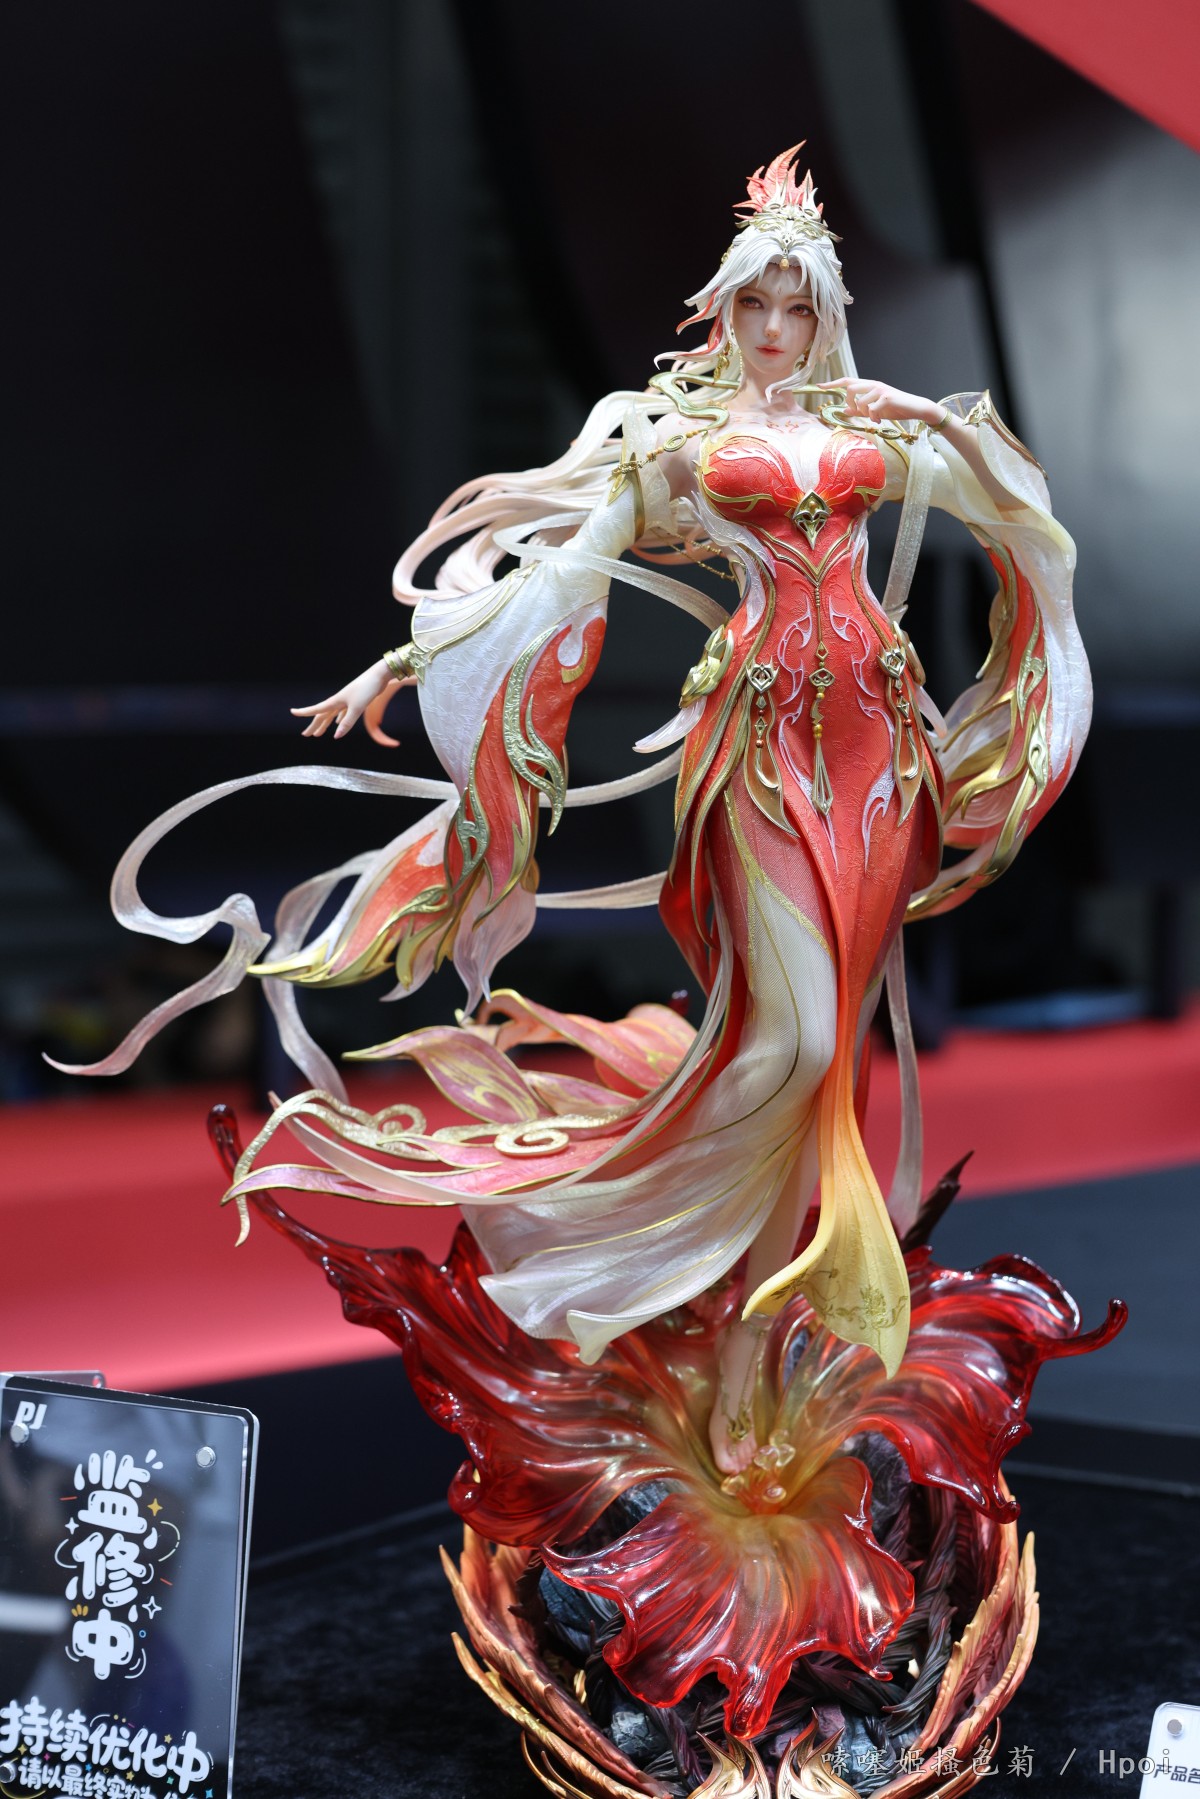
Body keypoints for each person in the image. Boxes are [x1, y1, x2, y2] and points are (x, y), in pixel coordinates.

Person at [59, 147, 1087, 1474]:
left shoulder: (875, 435)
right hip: (760, 748)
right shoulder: (676, 446)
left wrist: (955, 456)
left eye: (799, 307)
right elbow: (553, 573)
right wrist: (405, 661)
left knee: (833, 1052)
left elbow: (1020, 520)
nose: (777, 329)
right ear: (724, 310)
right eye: (756, 305)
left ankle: (764, 1340)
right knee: (786, 1044)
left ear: (826, 313)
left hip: (879, 745)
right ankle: (616, 1242)